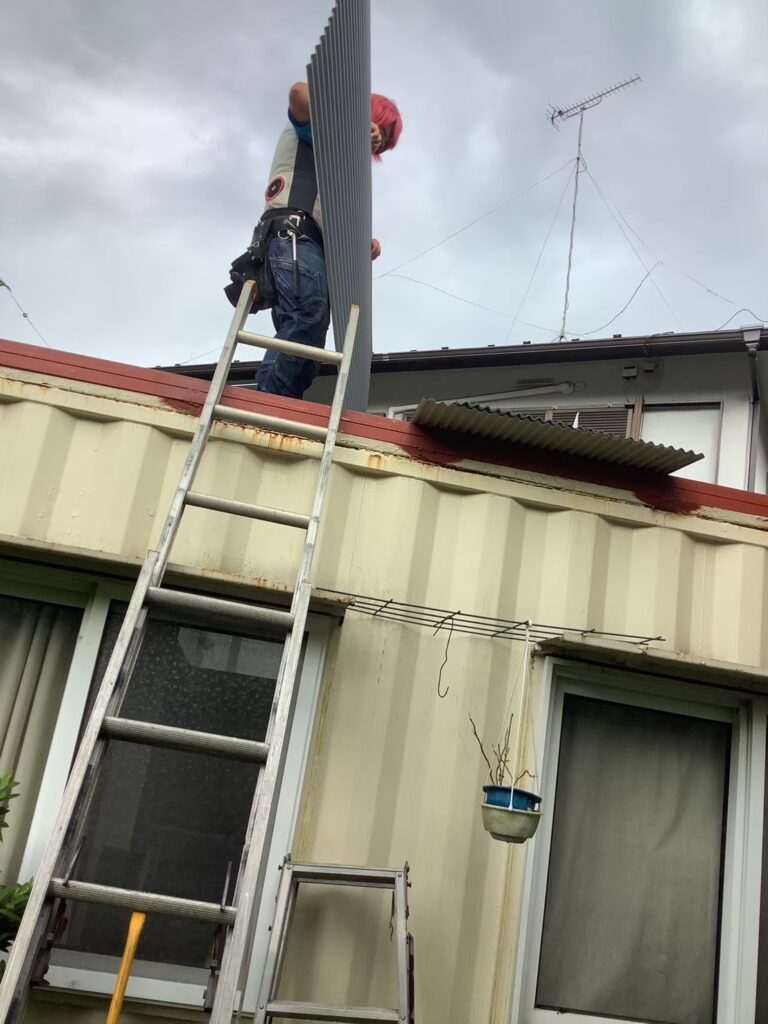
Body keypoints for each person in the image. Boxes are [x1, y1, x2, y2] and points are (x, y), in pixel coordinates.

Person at [251, 82, 402, 399]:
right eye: (381, 132)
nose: (378, 142)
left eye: (384, 141)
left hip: (311, 244)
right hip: (292, 231)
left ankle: (283, 403)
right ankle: (266, 400)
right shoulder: (323, 131)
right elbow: (297, 93)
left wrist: (363, 243)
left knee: (311, 340)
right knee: (305, 316)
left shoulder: (344, 168)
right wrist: (356, 121)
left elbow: (334, 221)